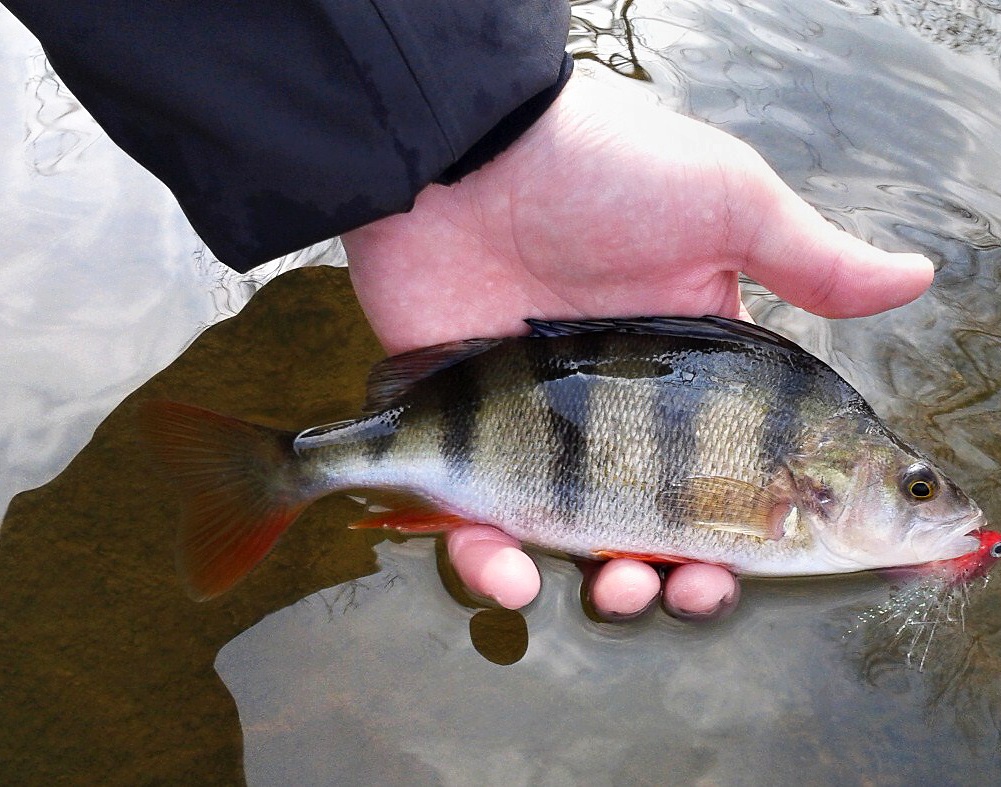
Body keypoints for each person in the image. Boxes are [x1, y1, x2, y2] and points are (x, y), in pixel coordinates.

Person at [4, 1, 933, 619]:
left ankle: (290, 471)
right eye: (915, 489)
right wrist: (483, 126)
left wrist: (491, 132)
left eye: (920, 490)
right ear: (824, 481)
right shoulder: (815, 446)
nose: (928, 501)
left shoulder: (813, 440)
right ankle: (281, 471)